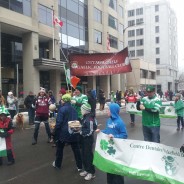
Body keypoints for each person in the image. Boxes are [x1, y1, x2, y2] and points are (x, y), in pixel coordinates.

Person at [96, 103, 128, 184]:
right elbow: (107, 131)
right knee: (109, 169)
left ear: (113, 111)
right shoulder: (109, 120)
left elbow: (124, 135)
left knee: (117, 171)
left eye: (108, 109)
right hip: (110, 149)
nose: (107, 110)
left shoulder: (120, 122)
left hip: (117, 150)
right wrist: (101, 131)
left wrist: (114, 136)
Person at [52, 94, 82, 171]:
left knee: (60, 149)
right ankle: (79, 166)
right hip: (73, 130)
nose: (61, 101)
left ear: (64, 101)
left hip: (63, 132)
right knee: (76, 150)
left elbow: (59, 122)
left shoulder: (62, 109)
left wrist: (55, 131)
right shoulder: (74, 109)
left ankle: (57, 164)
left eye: (62, 99)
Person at [79, 103, 96, 181]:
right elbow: (83, 127)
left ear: (85, 110)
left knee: (88, 156)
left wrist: (80, 132)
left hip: (88, 140)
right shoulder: (85, 117)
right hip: (83, 139)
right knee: (84, 155)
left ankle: (91, 172)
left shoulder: (90, 119)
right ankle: (86, 169)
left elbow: (90, 131)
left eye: (82, 109)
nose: (81, 110)